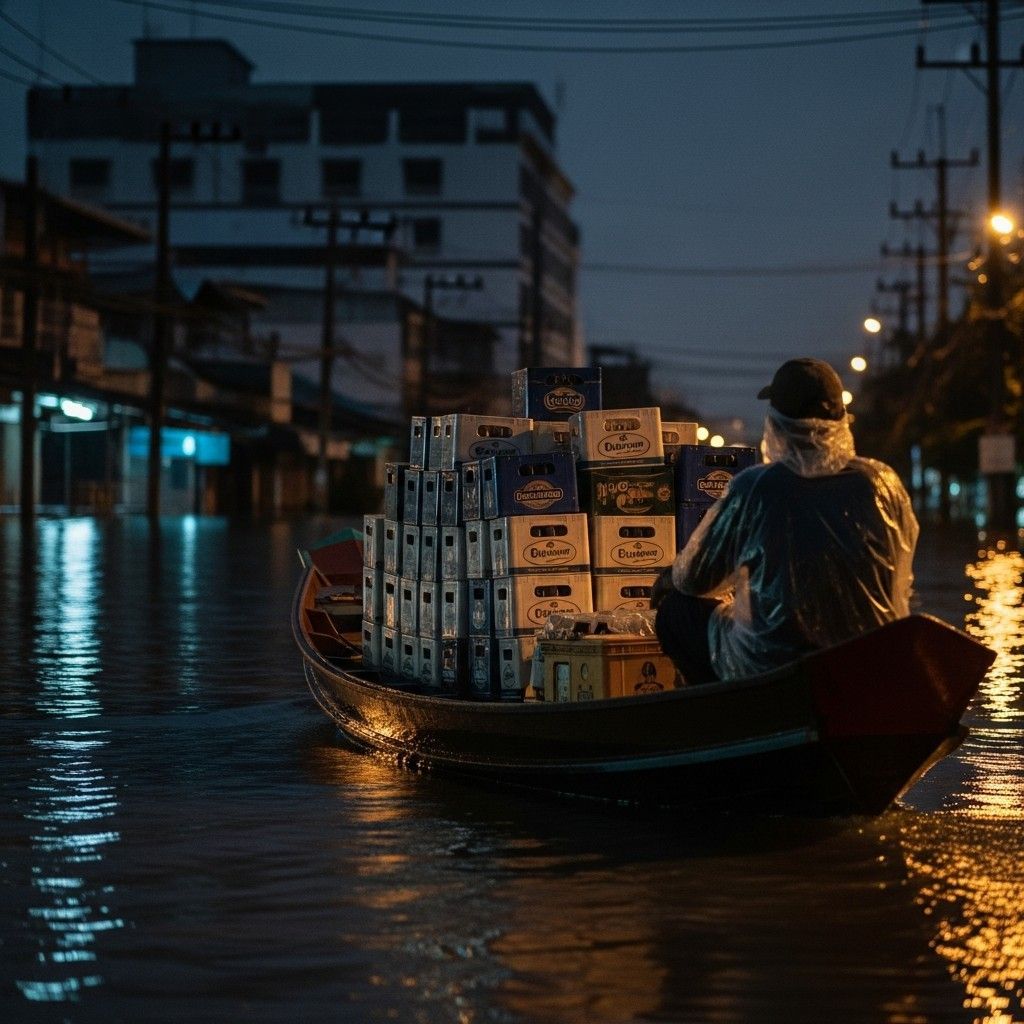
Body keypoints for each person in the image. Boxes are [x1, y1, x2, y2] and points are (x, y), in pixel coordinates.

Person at [652, 356, 919, 683]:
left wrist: (668, 578)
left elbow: (694, 580)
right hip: (867, 661)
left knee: (676, 608)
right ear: (840, 419)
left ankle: (721, 708)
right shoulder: (882, 483)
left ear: (777, 424)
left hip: (771, 667)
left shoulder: (755, 488)